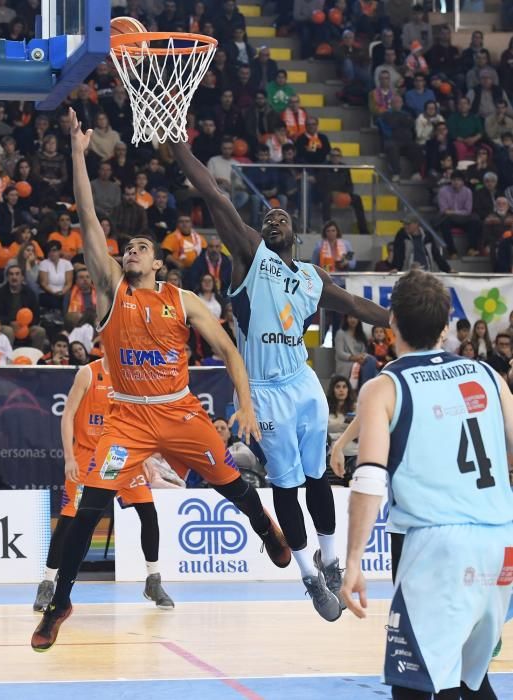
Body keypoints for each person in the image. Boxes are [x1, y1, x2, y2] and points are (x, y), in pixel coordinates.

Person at [30, 110, 290, 651]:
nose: (131, 250)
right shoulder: (110, 291)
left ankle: (267, 530)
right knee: (90, 504)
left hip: (181, 412)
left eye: (141, 248)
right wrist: (78, 154)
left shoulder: (183, 300)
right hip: (126, 421)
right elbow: (87, 218)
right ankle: (60, 601)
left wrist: (243, 402)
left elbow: (228, 351)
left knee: (231, 486)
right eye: (128, 248)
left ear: (159, 264)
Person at [170, 137, 388, 623]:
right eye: (267, 216)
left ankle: (331, 561)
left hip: (304, 384)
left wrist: (403, 319)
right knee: (286, 489)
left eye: (282, 217)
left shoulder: (313, 278)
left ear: (298, 234)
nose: (273, 219)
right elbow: (217, 196)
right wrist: (179, 150)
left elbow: (358, 307)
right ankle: (309, 574)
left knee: (319, 480)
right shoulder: (251, 258)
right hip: (265, 392)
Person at [341, 269, 513, 699]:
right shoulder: (488, 376)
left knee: (415, 687)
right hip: (499, 544)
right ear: (444, 326)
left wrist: (353, 561)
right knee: (471, 681)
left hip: (440, 545)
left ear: (391, 321)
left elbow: (368, 479)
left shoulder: (385, 387)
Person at [33, 355, 174, 613]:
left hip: (121, 456)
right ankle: (47, 582)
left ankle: (153, 580)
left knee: (148, 512)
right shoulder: (89, 373)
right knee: (70, 521)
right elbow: (67, 417)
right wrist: (69, 457)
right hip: (87, 456)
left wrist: (145, 455)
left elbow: (140, 421)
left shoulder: (133, 375)